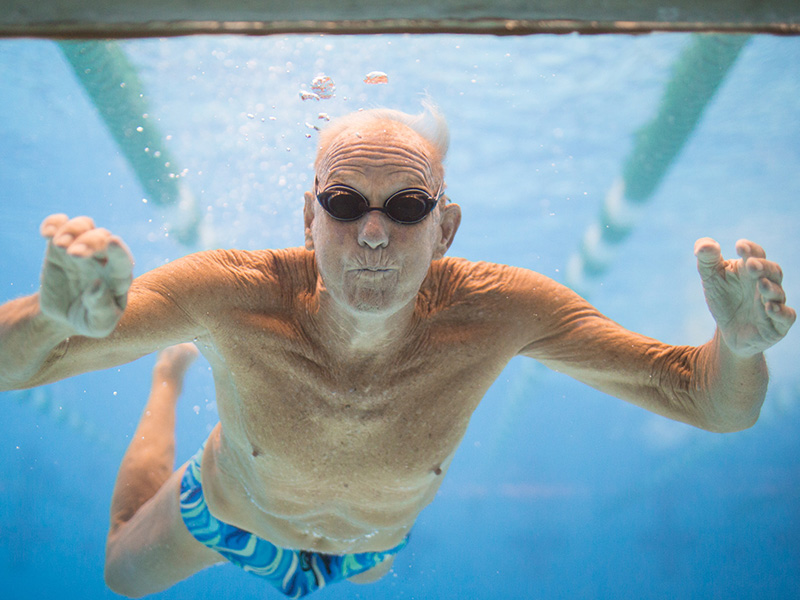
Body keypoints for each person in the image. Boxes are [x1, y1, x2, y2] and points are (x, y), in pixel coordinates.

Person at [0, 104, 794, 598]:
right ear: (306, 217)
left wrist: (738, 346)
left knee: (363, 564)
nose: (373, 231)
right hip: (228, 517)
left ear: (445, 229)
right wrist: (48, 314)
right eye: (344, 204)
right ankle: (168, 383)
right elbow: (18, 367)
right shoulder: (231, 294)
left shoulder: (504, 311)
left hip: (369, 552)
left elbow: (707, 400)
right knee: (118, 574)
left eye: (408, 205)